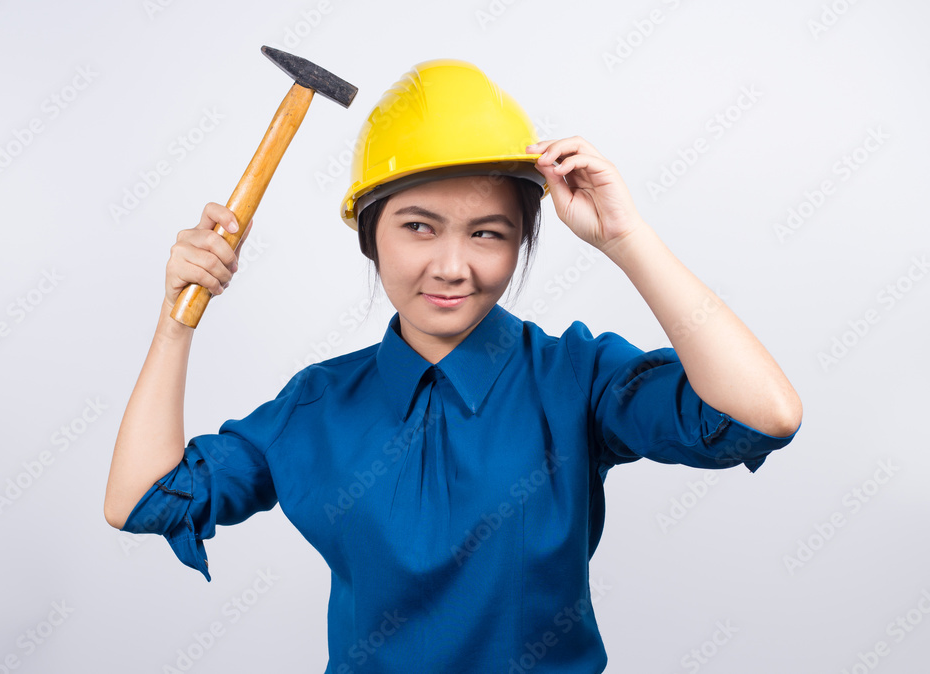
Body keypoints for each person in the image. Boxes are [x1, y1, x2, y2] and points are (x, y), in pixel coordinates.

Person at [104, 59, 802, 672]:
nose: (451, 266)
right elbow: (140, 500)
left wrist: (627, 237)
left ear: (523, 241)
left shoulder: (576, 378)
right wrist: (175, 318)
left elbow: (764, 413)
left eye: (488, 234)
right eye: (418, 226)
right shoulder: (318, 404)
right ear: (370, 236)